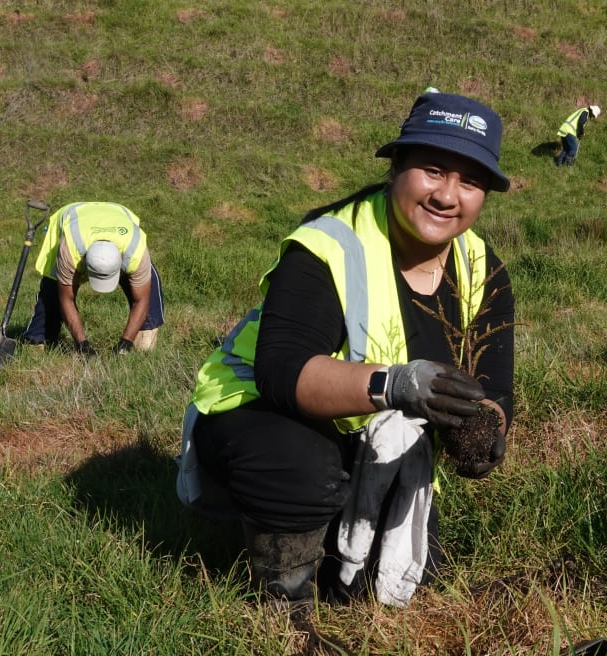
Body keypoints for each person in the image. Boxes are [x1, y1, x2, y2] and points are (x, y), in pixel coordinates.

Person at [176, 92, 515, 611]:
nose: (448, 195)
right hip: (257, 412)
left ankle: (333, 549)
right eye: (432, 170)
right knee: (301, 471)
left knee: (401, 582)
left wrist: (483, 428)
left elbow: (494, 384)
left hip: (364, 434)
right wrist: (395, 384)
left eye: (469, 181)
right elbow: (282, 371)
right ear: (395, 167)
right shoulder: (328, 245)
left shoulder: (482, 269)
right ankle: (283, 604)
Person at [21, 201, 164, 356]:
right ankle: (38, 339)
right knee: (53, 289)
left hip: (118, 216)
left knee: (149, 292)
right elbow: (66, 299)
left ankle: (142, 340)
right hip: (74, 218)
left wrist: (126, 341)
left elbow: (141, 300)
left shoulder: (135, 250)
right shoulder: (70, 248)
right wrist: (82, 344)